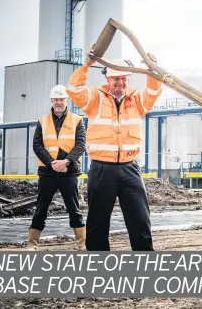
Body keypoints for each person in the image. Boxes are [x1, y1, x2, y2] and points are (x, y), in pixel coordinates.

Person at [66, 49, 164, 251]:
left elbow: (154, 92)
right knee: (97, 223)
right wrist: (86, 65)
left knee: (140, 220)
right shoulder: (95, 98)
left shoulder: (137, 100)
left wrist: (151, 70)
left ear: (129, 79)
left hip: (130, 169)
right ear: (108, 80)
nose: (120, 83)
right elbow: (74, 89)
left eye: (124, 79)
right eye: (115, 79)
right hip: (102, 169)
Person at [28, 85, 87, 251]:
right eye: (56, 99)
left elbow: (81, 144)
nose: (59, 102)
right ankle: (32, 244)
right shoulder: (42, 121)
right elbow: (37, 145)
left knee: (74, 209)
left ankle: (80, 244)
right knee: (41, 209)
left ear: (66, 100)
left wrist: (66, 162)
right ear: (51, 100)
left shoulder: (77, 120)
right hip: (48, 172)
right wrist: (51, 163)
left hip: (69, 172)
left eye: (61, 99)